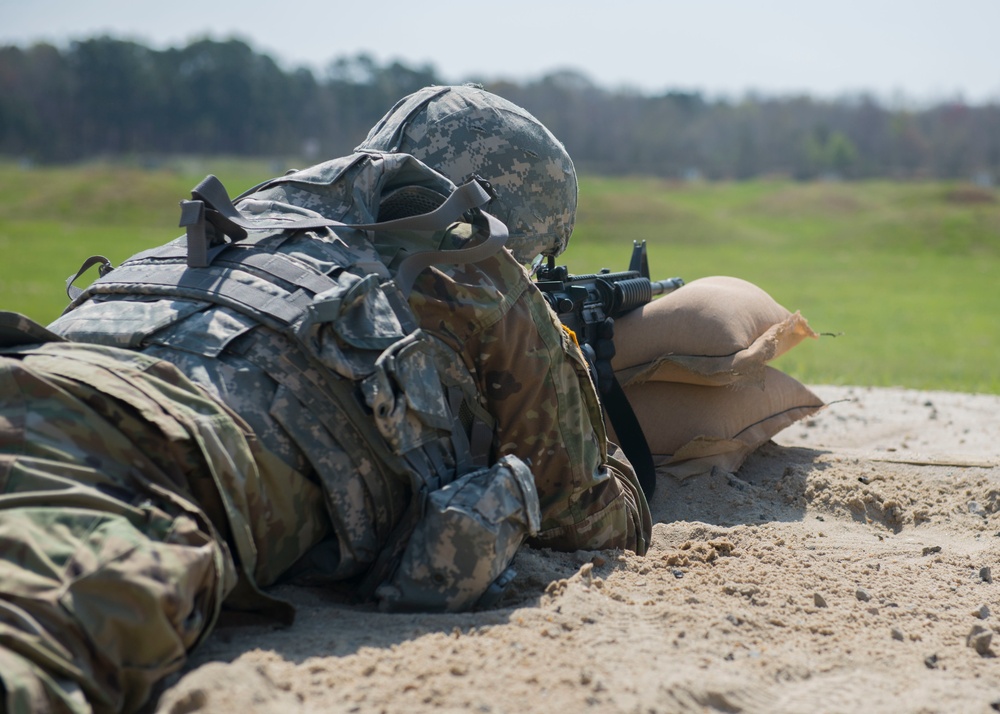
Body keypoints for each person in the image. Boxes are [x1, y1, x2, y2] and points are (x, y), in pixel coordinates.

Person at [0, 85, 649, 713]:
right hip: (148, 459)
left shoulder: (252, 218)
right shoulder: (483, 271)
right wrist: (570, 368)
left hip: (35, 368)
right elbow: (595, 519)